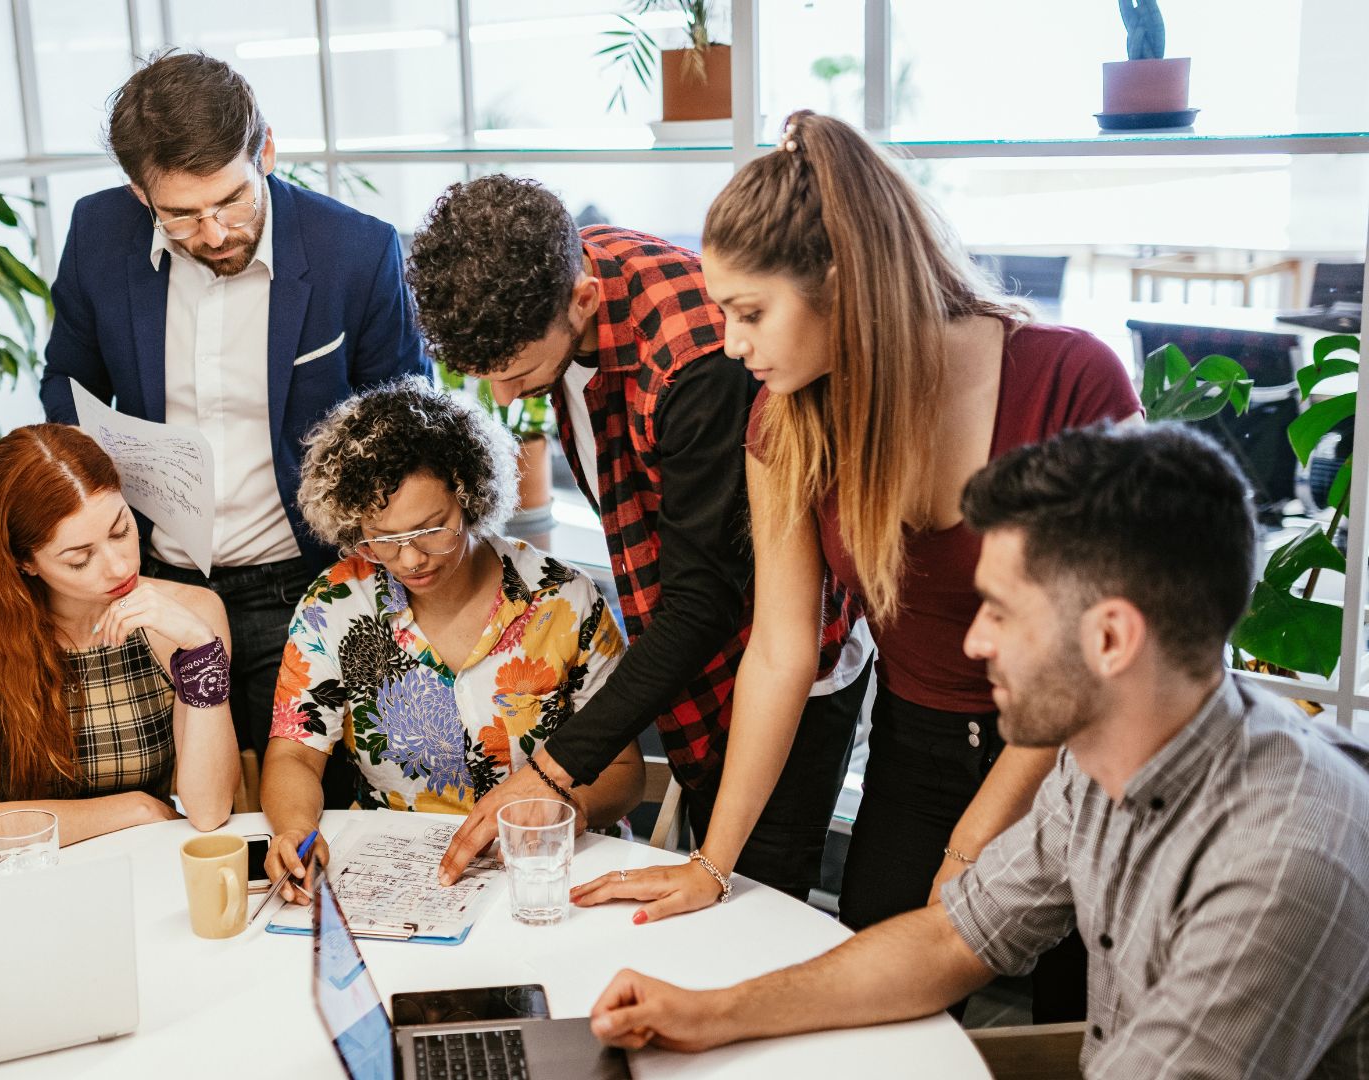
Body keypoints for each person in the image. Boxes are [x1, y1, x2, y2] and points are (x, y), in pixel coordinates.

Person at [568, 112, 1141, 1020]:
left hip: (1081, 755)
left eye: (750, 313)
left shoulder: (1071, 380)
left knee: (1083, 1015)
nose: (730, 344)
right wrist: (711, 864)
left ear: (843, 285)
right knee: (877, 968)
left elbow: (1097, 660)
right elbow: (780, 651)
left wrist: (970, 849)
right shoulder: (784, 420)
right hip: (917, 741)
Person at [587, 423, 1369, 1076]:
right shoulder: (1104, 761)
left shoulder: (1284, 862)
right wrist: (713, 1013)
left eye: (999, 611)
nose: (973, 640)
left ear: (1110, 638)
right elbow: (953, 938)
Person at [410, 175, 872, 900]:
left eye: (517, 372)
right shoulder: (544, 274)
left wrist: (551, 770)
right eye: (483, 378)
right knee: (701, 892)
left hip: (787, 669)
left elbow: (704, 602)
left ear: (583, 300)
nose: (504, 399)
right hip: (699, 648)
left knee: (756, 899)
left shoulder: (701, 364)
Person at [40, 50, 428, 762]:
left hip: (308, 585)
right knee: (192, 805)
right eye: (181, 217)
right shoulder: (98, 234)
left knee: (313, 805)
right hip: (153, 585)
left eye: (231, 201)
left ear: (267, 150)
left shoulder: (356, 251)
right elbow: (67, 383)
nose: (214, 234)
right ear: (138, 192)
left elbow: (407, 427)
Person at [260, 380, 643, 898]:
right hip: (400, 878)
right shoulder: (334, 606)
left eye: (432, 528)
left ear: (469, 494)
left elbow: (625, 770)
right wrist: (293, 831)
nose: (411, 559)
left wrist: (565, 808)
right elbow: (295, 756)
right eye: (384, 541)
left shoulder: (563, 601)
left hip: (549, 875)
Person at [0, 424, 238, 868]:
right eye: (79, 559)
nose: (119, 565)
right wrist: (138, 808)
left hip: (145, 869)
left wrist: (201, 651)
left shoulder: (191, 614)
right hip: (25, 884)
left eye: (120, 529)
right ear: (25, 562)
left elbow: (208, 812)